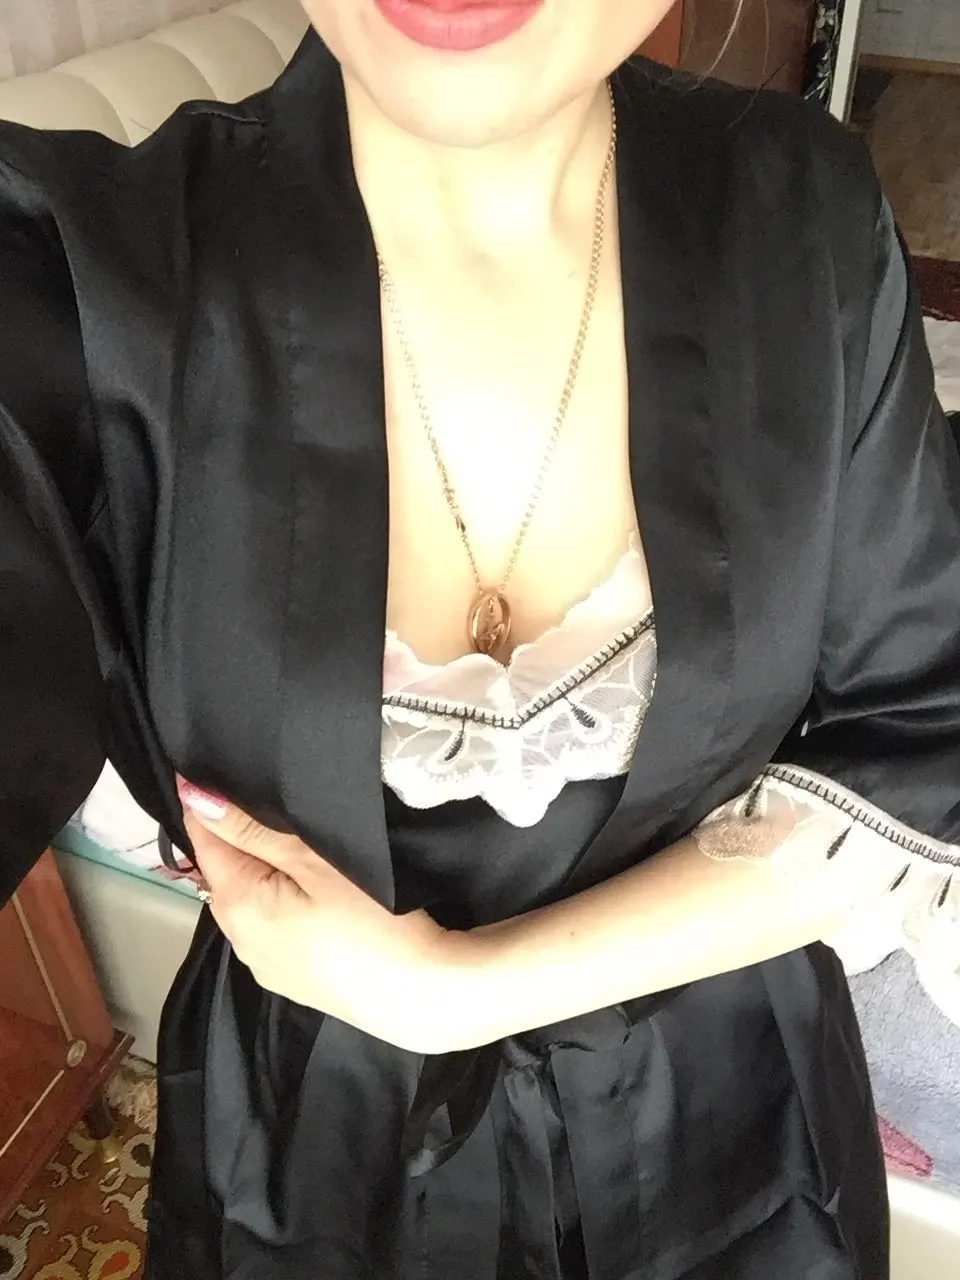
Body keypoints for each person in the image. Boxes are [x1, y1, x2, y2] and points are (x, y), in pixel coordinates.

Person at [1, 1, 959, 1276]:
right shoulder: (76, 270)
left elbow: (917, 723)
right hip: (313, 1174)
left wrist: (457, 992)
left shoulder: (805, 211)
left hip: (739, 1147)